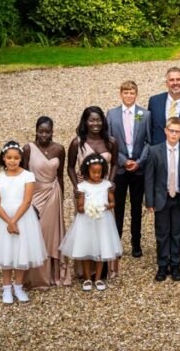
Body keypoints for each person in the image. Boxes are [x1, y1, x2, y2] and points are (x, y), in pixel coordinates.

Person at [0, 141, 47, 304]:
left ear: (21, 159)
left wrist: (15, 221)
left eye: (16, 158)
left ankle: (18, 286)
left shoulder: (28, 176)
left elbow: (27, 201)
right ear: (3, 158)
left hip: (23, 217)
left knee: (21, 251)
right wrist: (8, 221)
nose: (12, 161)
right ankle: (6, 288)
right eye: (9, 158)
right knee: (6, 252)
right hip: (3, 219)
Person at [66, 106, 118, 278]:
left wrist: (110, 181)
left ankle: (103, 270)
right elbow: (70, 167)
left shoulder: (110, 141)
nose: (95, 123)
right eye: (91, 120)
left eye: (98, 120)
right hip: (84, 192)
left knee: (104, 228)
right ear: (85, 122)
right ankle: (84, 271)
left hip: (103, 191)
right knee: (85, 229)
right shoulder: (77, 142)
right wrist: (76, 186)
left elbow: (116, 163)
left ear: (103, 121)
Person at [60, 154, 122, 292]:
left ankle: (98, 278)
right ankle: (87, 278)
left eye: (99, 172)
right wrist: (89, 207)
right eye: (93, 172)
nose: (96, 175)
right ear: (87, 171)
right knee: (86, 249)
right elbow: (80, 208)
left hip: (103, 221)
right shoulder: (82, 186)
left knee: (101, 249)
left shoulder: (107, 185)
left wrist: (104, 206)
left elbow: (112, 203)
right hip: (86, 221)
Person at [22, 117, 69, 289]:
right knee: (36, 233)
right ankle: (35, 277)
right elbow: (24, 176)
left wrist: (62, 199)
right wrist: (26, 202)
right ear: (36, 131)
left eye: (47, 131)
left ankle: (53, 275)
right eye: (41, 131)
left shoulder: (59, 149)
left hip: (53, 194)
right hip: (34, 194)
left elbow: (61, 176)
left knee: (51, 235)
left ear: (52, 131)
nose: (44, 134)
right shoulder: (28, 148)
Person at [106, 81, 152, 258]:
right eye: (125, 92)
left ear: (136, 94)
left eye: (132, 92)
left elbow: (148, 140)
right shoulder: (112, 114)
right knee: (117, 208)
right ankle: (116, 242)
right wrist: (123, 161)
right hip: (120, 168)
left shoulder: (145, 114)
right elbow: (109, 141)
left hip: (138, 168)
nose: (129, 95)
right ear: (120, 94)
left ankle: (136, 243)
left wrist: (139, 161)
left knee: (135, 208)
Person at [144, 117, 180, 282]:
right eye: (171, 130)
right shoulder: (154, 151)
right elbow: (149, 177)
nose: (174, 134)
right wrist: (149, 201)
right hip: (162, 198)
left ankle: (176, 265)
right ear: (165, 131)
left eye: (177, 131)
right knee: (162, 233)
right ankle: (162, 265)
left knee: (177, 233)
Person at [147, 67, 180, 145]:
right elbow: (149, 128)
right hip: (157, 152)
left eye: (178, 79)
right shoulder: (154, 101)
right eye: (171, 80)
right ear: (166, 83)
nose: (175, 83)